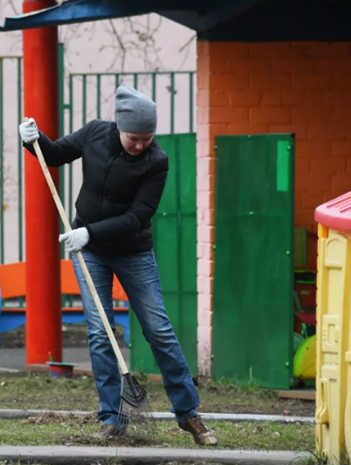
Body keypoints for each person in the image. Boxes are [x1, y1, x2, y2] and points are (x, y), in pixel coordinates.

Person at [18, 86, 217, 446]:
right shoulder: (95, 132)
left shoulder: (156, 161)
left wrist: (88, 232)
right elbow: (56, 154)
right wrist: (33, 140)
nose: (140, 145)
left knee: (158, 329)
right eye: (134, 138)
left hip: (132, 250)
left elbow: (138, 216)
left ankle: (189, 414)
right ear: (119, 126)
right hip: (90, 251)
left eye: (147, 138)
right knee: (100, 332)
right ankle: (112, 417)